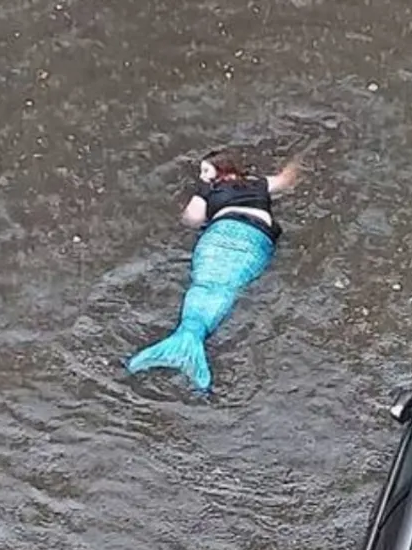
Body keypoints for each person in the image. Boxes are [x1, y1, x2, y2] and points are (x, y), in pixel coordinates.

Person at [124, 149, 301, 391]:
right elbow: (286, 180)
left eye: (206, 170)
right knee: (227, 286)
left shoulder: (209, 190)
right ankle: (189, 340)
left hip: (220, 235)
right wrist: (299, 160)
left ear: (223, 169)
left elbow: (191, 219)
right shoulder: (256, 184)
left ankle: (187, 337)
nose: (202, 176)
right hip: (256, 240)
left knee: (206, 282)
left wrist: (200, 194)